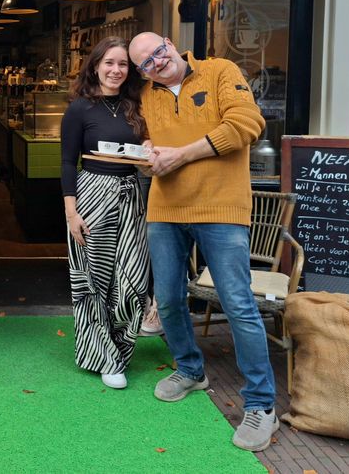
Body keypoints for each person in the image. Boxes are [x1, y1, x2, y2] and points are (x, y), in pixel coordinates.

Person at [127, 32, 276, 452]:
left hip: (221, 209)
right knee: (168, 301)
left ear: (170, 43)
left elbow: (247, 124)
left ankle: (262, 405)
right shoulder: (147, 96)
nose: (157, 63)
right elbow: (151, 147)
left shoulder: (219, 71)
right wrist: (148, 158)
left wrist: (182, 154)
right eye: (146, 63)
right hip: (165, 210)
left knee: (238, 304)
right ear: (142, 72)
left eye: (159, 52)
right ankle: (191, 370)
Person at [60, 36, 150, 389]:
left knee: (132, 278)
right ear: (95, 66)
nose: (116, 70)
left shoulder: (136, 105)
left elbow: (146, 150)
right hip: (92, 195)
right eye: (109, 63)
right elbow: (68, 163)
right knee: (93, 279)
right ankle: (104, 357)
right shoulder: (79, 109)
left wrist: (149, 148)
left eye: (123, 64)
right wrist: (71, 213)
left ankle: (122, 349)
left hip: (131, 195)